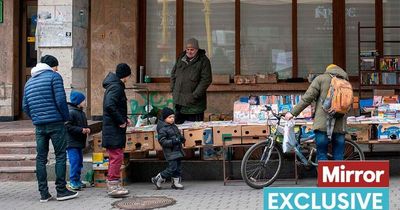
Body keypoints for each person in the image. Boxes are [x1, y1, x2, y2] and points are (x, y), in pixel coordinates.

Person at [23, 55, 78, 202]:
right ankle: (61, 191)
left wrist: (36, 118)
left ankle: (44, 194)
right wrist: (66, 117)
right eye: (56, 67)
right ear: (52, 66)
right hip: (55, 123)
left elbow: (25, 106)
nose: (58, 69)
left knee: (41, 158)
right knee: (60, 155)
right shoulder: (54, 77)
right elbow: (60, 100)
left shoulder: (29, 82)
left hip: (39, 125)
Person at [284, 64, 348, 161]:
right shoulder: (345, 82)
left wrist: (292, 113)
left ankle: (323, 176)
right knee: (338, 155)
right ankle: (337, 175)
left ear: (327, 70)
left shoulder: (321, 79)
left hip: (323, 125)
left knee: (322, 154)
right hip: (340, 125)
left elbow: (307, 98)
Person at [102, 63, 132, 197]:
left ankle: (113, 183)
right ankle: (113, 186)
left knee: (116, 155)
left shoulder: (114, 85)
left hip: (113, 128)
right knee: (116, 156)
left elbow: (115, 106)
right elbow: (110, 105)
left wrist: (124, 118)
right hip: (113, 129)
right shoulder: (116, 87)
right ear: (125, 75)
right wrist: (120, 121)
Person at [171, 38, 212, 124]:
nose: (189, 52)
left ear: (197, 49)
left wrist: (194, 96)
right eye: (187, 49)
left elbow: (206, 80)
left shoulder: (203, 61)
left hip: (194, 106)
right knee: (179, 130)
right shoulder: (181, 58)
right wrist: (173, 89)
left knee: (194, 132)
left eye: (192, 50)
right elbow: (173, 74)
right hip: (179, 103)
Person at [151, 107, 185, 190]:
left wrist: (181, 138)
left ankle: (175, 183)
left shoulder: (173, 126)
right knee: (172, 168)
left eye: (173, 117)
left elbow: (177, 135)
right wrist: (174, 141)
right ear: (164, 118)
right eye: (170, 117)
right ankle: (158, 178)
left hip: (177, 150)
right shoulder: (162, 128)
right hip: (170, 152)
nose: (172, 119)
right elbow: (163, 141)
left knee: (178, 168)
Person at [65, 91, 90, 191]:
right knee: (75, 161)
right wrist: (81, 130)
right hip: (71, 143)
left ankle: (77, 180)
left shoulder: (81, 113)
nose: (85, 102)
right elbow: (67, 126)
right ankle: (72, 181)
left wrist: (87, 128)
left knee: (79, 162)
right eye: (83, 100)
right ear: (78, 102)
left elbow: (84, 124)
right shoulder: (71, 112)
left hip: (78, 142)